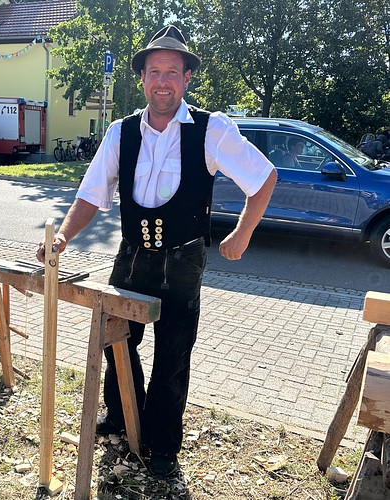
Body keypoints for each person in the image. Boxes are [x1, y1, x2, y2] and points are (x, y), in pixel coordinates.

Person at [36, 25, 277, 478]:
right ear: (143, 78)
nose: (162, 81)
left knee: (172, 355)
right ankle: (121, 416)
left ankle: (162, 443)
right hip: (131, 256)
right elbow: (90, 194)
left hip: (183, 261)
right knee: (116, 342)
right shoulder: (121, 132)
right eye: (154, 72)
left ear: (186, 78)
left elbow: (263, 178)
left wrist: (242, 234)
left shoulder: (211, 129)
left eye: (171, 72)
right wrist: (64, 236)